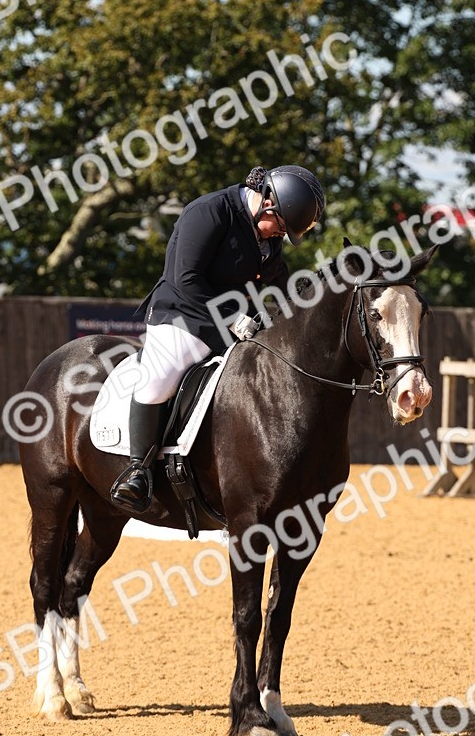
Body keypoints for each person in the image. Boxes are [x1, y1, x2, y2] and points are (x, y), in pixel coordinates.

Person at [109, 163, 326, 512]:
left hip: (236, 326)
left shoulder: (266, 233)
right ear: (267, 202)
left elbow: (280, 280)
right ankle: (138, 471)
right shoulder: (209, 212)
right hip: (183, 316)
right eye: (282, 227)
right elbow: (185, 278)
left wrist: (309, 302)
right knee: (160, 379)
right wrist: (231, 317)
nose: (280, 236)